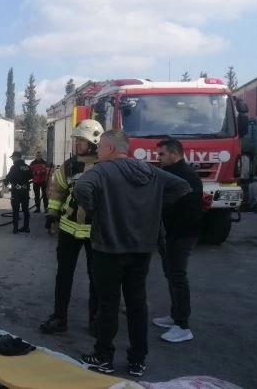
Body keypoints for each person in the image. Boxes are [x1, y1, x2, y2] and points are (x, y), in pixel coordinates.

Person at [74, 130, 191, 377]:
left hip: (108, 249)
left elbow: (82, 186)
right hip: (142, 249)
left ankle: (104, 357)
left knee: (108, 304)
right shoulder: (149, 170)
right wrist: (155, 206)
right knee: (137, 304)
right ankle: (138, 360)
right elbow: (182, 186)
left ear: (109, 148)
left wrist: (95, 210)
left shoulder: (102, 171)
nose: (98, 151)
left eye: (100, 147)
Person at [39, 119, 103, 336]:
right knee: (63, 275)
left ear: (94, 142)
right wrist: (51, 215)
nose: (77, 144)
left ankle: (96, 320)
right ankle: (59, 317)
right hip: (69, 228)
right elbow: (57, 191)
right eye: (77, 140)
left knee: (97, 279)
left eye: (81, 141)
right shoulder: (69, 165)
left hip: (95, 231)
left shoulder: (105, 166)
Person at [152, 137, 203, 343]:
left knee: (178, 276)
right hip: (171, 233)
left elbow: (174, 206)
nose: (158, 157)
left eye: (161, 154)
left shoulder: (184, 176)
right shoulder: (173, 173)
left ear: (174, 154)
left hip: (181, 234)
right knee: (171, 274)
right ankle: (175, 316)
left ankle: (183, 326)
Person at [3, 151, 32, 233]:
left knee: (15, 210)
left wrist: (6, 184)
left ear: (16, 157)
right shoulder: (27, 167)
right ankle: (26, 227)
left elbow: (8, 178)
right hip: (25, 191)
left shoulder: (14, 167)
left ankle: (15, 229)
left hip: (16, 192)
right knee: (25, 210)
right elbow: (31, 176)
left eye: (13, 157)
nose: (12, 159)